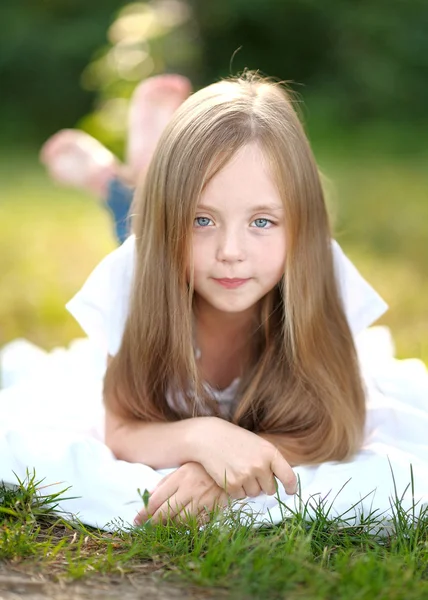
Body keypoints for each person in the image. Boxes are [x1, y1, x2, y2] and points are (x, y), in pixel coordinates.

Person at [62, 71, 388, 527]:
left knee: (165, 220)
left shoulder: (320, 273)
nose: (231, 253)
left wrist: (224, 467)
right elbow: (119, 430)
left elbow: (334, 427)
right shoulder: (136, 273)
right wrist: (202, 437)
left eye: (262, 222)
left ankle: (150, 167)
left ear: (302, 223)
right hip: (157, 251)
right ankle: (126, 179)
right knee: (133, 223)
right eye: (202, 219)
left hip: (174, 234)